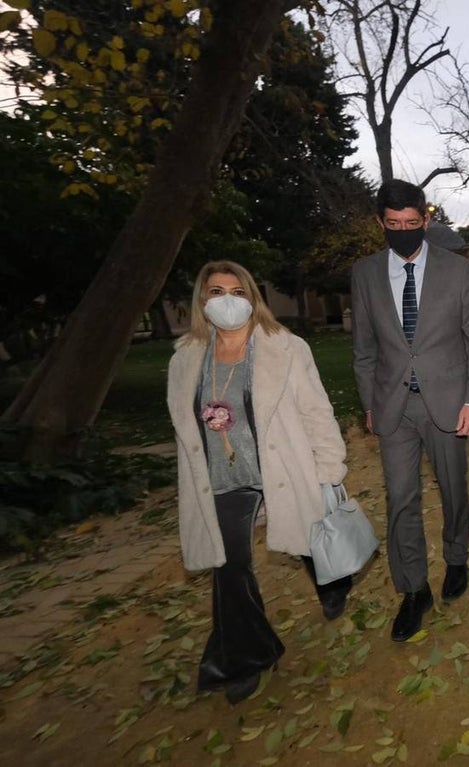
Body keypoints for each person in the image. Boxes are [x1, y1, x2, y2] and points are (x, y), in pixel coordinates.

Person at [168, 260, 352, 704]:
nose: (227, 300)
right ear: (202, 300)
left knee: (308, 537)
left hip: (282, 466)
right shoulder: (186, 358)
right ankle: (251, 654)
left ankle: (331, 581)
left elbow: (316, 409)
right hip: (223, 477)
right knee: (230, 567)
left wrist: (330, 467)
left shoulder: (285, 347)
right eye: (216, 291)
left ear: (252, 297)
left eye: (237, 291)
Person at [351, 179, 469, 642]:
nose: (403, 231)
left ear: (425, 221)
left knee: (453, 491)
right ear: (381, 223)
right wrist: (370, 401)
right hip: (393, 407)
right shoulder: (365, 273)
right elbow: (364, 349)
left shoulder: (455, 270)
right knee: (401, 500)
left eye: (412, 223)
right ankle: (413, 590)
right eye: (394, 225)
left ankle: (456, 558)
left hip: (448, 404)